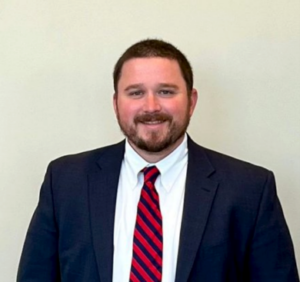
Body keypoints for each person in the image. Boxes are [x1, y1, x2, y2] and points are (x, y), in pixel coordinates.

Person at [17, 39, 299, 282]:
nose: (151, 107)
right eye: (136, 92)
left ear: (191, 101)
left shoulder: (250, 189)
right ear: (116, 103)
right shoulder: (66, 181)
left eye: (166, 91)